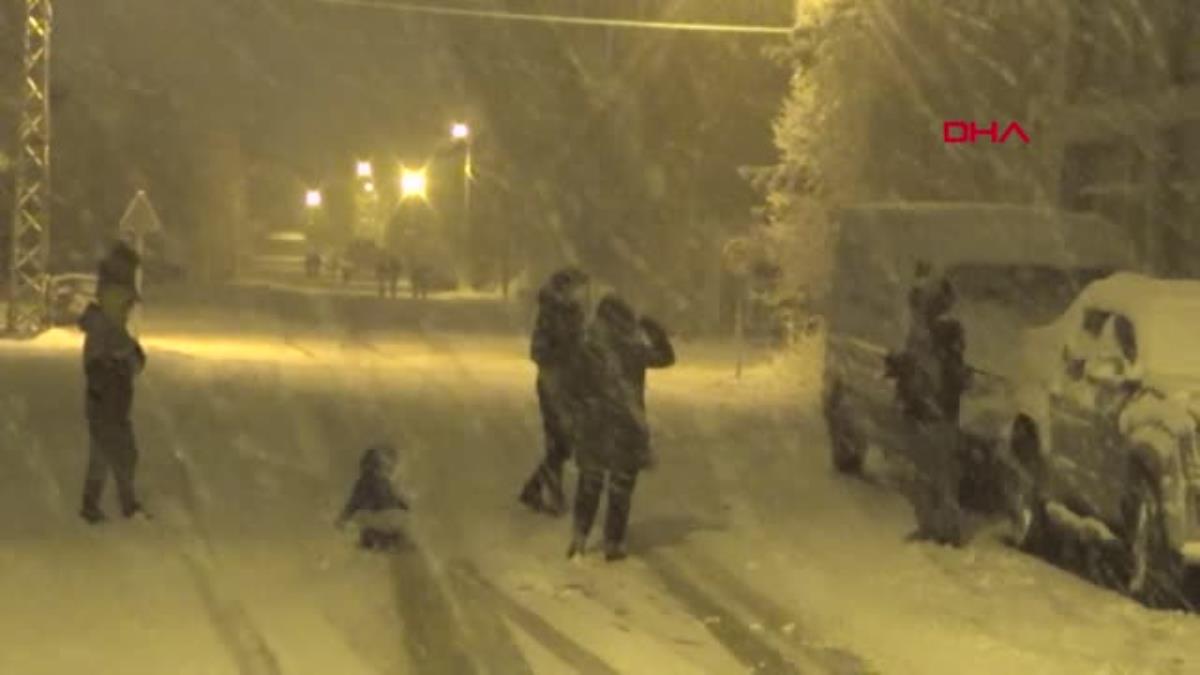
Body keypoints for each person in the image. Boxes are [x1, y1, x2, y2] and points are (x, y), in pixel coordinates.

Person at [568, 294, 675, 562]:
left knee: (590, 483)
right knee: (621, 487)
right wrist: (654, 330)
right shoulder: (633, 350)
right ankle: (613, 542)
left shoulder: (586, 349)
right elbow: (666, 358)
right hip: (627, 427)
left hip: (594, 426)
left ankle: (579, 538)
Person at [886, 262, 969, 545]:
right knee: (927, 472)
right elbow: (922, 365)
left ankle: (944, 529)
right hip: (925, 408)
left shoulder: (941, 331)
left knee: (937, 472)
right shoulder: (928, 331)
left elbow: (936, 369)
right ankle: (934, 526)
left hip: (933, 410)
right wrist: (900, 367)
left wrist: (906, 371)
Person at [78, 243, 149, 524]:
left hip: (111, 396)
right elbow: (109, 358)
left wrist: (129, 357)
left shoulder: (107, 322)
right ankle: (124, 505)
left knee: (108, 451)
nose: (128, 304)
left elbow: (127, 355)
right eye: (124, 300)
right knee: (120, 451)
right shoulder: (104, 325)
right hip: (107, 395)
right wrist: (125, 360)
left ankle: (96, 504)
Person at [518, 267, 590, 516]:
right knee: (559, 442)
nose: (580, 294)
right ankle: (553, 497)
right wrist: (565, 355)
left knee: (564, 444)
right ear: (564, 288)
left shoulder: (574, 313)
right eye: (576, 289)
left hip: (571, 385)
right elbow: (537, 351)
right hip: (552, 384)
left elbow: (581, 346)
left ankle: (534, 489)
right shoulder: (550, 313)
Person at [337, 444, 410, 551]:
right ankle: (377, 539)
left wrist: (402, 505)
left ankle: (389, 539)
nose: (383, 471)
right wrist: (343, 518)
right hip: (374, 518)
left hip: (386, 519)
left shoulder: (384, 483)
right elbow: (353, 503)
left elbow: (394, 498)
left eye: (385, 468)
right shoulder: (364, 483)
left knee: (395, 523)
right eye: (378, 466)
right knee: (375, 523)